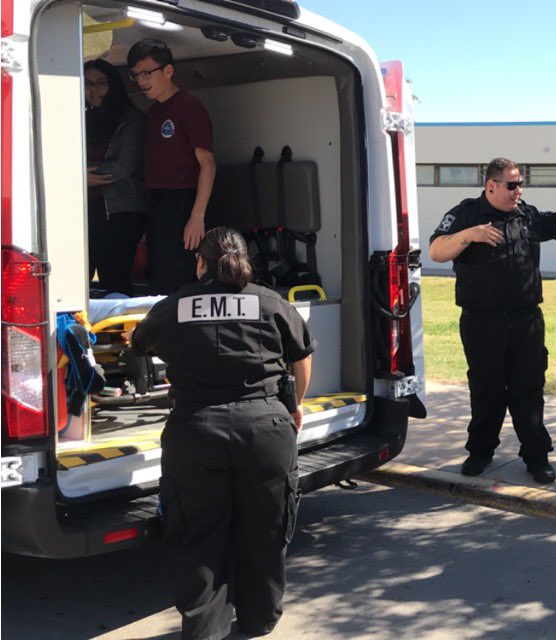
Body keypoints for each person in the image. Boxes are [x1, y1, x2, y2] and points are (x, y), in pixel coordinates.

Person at [129, 227, 314, 639]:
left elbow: (139, 344)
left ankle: (204, 630)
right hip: (265, 431)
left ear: (201, 263)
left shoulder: (174, 306)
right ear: (244, 261)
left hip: (195, 431)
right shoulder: (270, 302)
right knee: (266, 532)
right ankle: (258, 621)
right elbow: (302, 356)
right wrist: (294, 403)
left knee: (199, 537)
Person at [428, 157, 556, 483]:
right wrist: (470, 235)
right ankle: (480, 451)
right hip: (482, 321)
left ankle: (536, 456)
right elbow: (436, 250)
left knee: (529, 388)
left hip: (526, 320)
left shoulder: (526, 215)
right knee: (485, 388)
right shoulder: (466, 213)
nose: (518, 190)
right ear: (491, 185)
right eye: (511, 184)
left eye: (520, 183)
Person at [127, 38, 216, 295]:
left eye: (147, 73)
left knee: (179, 279)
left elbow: (207, 164)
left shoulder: (189, 107)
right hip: (157, 204)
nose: (142, 81)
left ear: (168, 70)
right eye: (136, 75)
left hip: (182, 202)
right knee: (159, 278)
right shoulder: (154, 112)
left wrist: (196, 217)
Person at [85, 58, 147, 296]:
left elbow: (124, 166)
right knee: (80, 277)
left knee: (115, 277)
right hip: (85, 212)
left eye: (101, 83)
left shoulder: (131, 118)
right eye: (88, 83)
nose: (94, 89)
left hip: (121, 212)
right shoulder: (76, 117)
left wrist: (81, 176)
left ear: (113, 85)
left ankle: (119, 333)